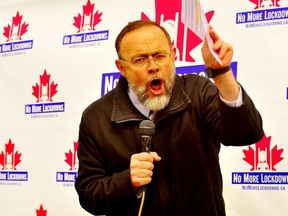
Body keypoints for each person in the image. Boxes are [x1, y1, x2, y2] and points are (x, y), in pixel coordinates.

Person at [75, 19, 263, 216]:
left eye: (160, 56)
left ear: (173, 55)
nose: (153, 66)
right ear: (121, 68)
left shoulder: (198, 91)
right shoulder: (96, 118)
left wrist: (222, 72)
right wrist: (126, 180)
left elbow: (246, 134)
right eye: (140, 59)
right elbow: (89, 195)